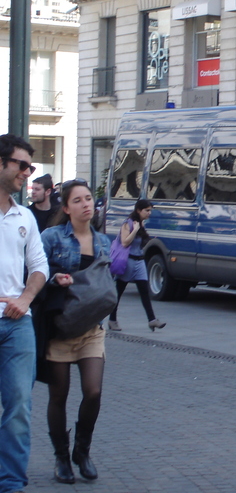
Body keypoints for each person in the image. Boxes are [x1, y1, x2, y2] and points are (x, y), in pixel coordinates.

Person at [39, 179, 112, 483]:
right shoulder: (52, 237)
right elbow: (34, 271)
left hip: (91, 329)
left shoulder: (103, 241)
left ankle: (82, 450)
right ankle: (61, 456)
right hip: (60, 329)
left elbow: (108, 278)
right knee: (59, 395)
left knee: (93, 391)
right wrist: (56, 278)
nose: (86, 204)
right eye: (78, 200)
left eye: (89, 199)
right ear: (66, 208)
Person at [0, 134, 49, 493]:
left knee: (18, 405)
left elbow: (39, 265)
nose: (27, 173)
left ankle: (11, 483)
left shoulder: (25, 217)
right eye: (21, 165)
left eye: (30, 167)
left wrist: (27, 297)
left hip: (18, 324)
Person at [107, 199, 165, 332]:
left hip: (139, 261)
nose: (149, 213)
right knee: (119, 291)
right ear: (139, 210)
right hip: (128, 261)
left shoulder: (140, 223)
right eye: (147, 210)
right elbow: (125, 243)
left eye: (150, 210)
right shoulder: (128, 223)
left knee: (144, 291)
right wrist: (135, 230)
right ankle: (112, 319)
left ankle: (152, 320)